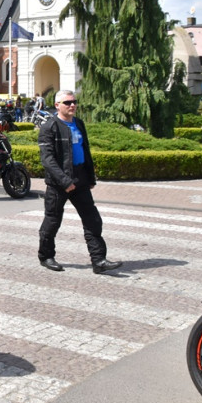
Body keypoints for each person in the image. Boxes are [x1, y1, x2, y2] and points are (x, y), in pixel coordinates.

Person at [37, 89, 122, 274]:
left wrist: (90, 177)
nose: (72, 105)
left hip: (80, 179)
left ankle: (99, 261)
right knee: (52, 221)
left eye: (74, 102)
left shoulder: (79, 124)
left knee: (92, 220)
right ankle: (46, 256)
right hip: (59, 183)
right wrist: (64, 180)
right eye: (68, 103)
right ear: (57, 105)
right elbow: (47, 159)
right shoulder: (49, 127)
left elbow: (86, 152)